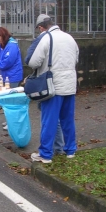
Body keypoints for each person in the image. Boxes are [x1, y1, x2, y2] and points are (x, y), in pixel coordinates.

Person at [27, 14, 79, 163]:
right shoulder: (69, 38)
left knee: (49, 121)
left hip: (53, 86)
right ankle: (70, 150)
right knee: (67, 119)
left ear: (41, 27)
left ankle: (45, 154)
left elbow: (32, 62)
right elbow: (76, 58)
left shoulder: (46, 38)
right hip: (70, 85)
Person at [0, 26, 24, 131]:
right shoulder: (3, 45)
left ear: (3, 36)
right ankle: (9, 121)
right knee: (7, 100)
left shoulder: (12, 46)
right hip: (6, 76)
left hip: (13, 76)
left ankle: (12, 123)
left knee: (11, 100)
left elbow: (7, 62)